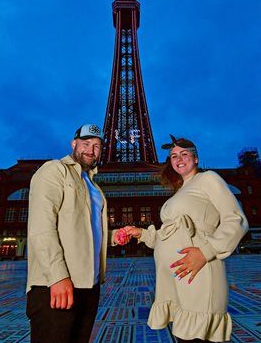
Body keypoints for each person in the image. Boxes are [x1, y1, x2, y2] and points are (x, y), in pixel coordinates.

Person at [124, 135, 249, 342]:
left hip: (199, 272)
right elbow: (170, 235)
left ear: (196, 158)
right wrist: (142, 234)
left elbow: (236, 219)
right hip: (178, 279)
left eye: (184, 154)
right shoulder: (181, 189)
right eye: (173, 156)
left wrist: (206, 251)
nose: (178, 159)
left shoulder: (208, 178)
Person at [26, 124, 129, 343]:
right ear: (74, 144)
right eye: (85, 144)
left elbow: (85, 230)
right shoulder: (54, 170)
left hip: (89, 287)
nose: (91, 150)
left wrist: (112, 237)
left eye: (97, 146)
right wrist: (58, 277)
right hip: (55, 285)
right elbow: (41, 227)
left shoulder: (93, 185)